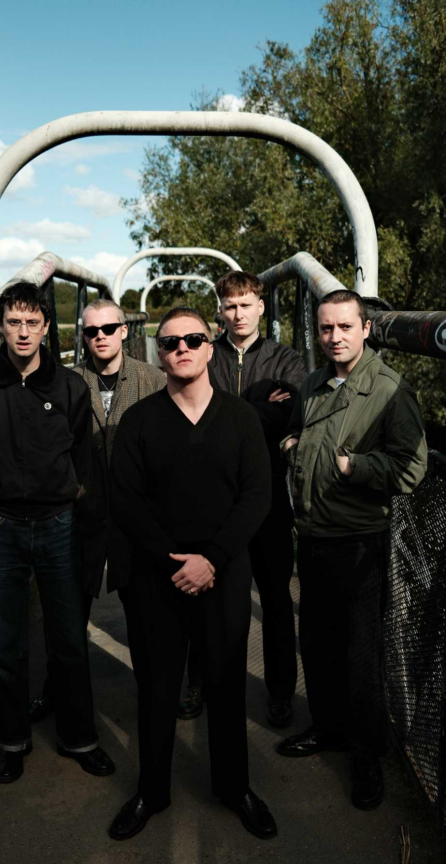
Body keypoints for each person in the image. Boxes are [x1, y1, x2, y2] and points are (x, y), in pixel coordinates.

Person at [108, 307, 277, 841]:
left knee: (226, 685)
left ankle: (235, 787)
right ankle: (150, 792)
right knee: (157, 688)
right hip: (158, 577)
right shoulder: (139, 421)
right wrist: (173, 562)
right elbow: (126, 500)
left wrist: (213, 559)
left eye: (194, 339)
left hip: (222, 573)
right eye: (170, 342)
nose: (182, 347)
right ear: (158, 354)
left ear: (210, 346)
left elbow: (258, 495)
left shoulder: (240, 418)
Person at [0, 281, 114, 784]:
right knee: (7, 642)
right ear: (0, 327)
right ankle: (12, 741)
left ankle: (79, 738)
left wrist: (66, 503)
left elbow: (81, 458)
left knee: (68, 638)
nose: (23, 332)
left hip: (57, 523)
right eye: (13, 322)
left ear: (46, 327)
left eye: (32, 322)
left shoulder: (70, 387)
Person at [276, 289, 427, 810]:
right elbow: (295, 433)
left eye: (345, 327)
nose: (334, 337)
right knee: (317, 645)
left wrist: (353, 466)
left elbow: (411, 468)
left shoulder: (389, 389)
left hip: (359, 543)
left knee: (361, 656)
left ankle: (366, 758)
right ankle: (328, 729)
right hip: (313, 536)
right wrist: (291, 447)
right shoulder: (313, 383)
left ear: (365, 329)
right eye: (326, 328)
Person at [178, 271, 306, 728]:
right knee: (205, 595)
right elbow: (186, 408)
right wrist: (258, 409)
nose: (238, 314)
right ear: (220, 310)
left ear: (261, 307)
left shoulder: (286, 358)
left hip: (267, 497)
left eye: (246, 304)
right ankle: (199, 681)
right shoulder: (204, 351)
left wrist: (222, 411)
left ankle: (280, 693)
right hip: (211, 499)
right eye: (230, 306)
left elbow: (290, 412)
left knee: (275, 598)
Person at [29, 298, 165, 723]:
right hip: (80, 513)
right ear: (83, 336)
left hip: (135, 517)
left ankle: (157, 694)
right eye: (91, 331)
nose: (100, 337)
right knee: (67, 615)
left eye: (108, 329)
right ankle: (57, 690)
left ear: (124, 331)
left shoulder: (152, 379)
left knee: (146, 615)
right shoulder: (67, 383)